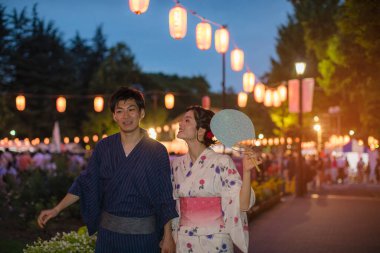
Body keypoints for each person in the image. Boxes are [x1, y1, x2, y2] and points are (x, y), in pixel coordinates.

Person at [37, 87, 178, 253]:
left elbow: (164, 195)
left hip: (144, 238)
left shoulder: (157, 150)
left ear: (141, 113)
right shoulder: (104, 147)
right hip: (108, 237)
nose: (126, 116)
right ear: (114, 116)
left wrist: (168, 236)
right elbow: (85, 182)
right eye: (120, 111)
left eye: (131, 110)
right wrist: (56, 209)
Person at [171, 106, 255, 253]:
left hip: (215, 240)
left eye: (187, 120)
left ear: (201, 130)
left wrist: (246, 172)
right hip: (184, 240)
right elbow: (174, 205)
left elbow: (242, 205)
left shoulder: (222, 162)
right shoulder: (177, 164)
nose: (180, 123)